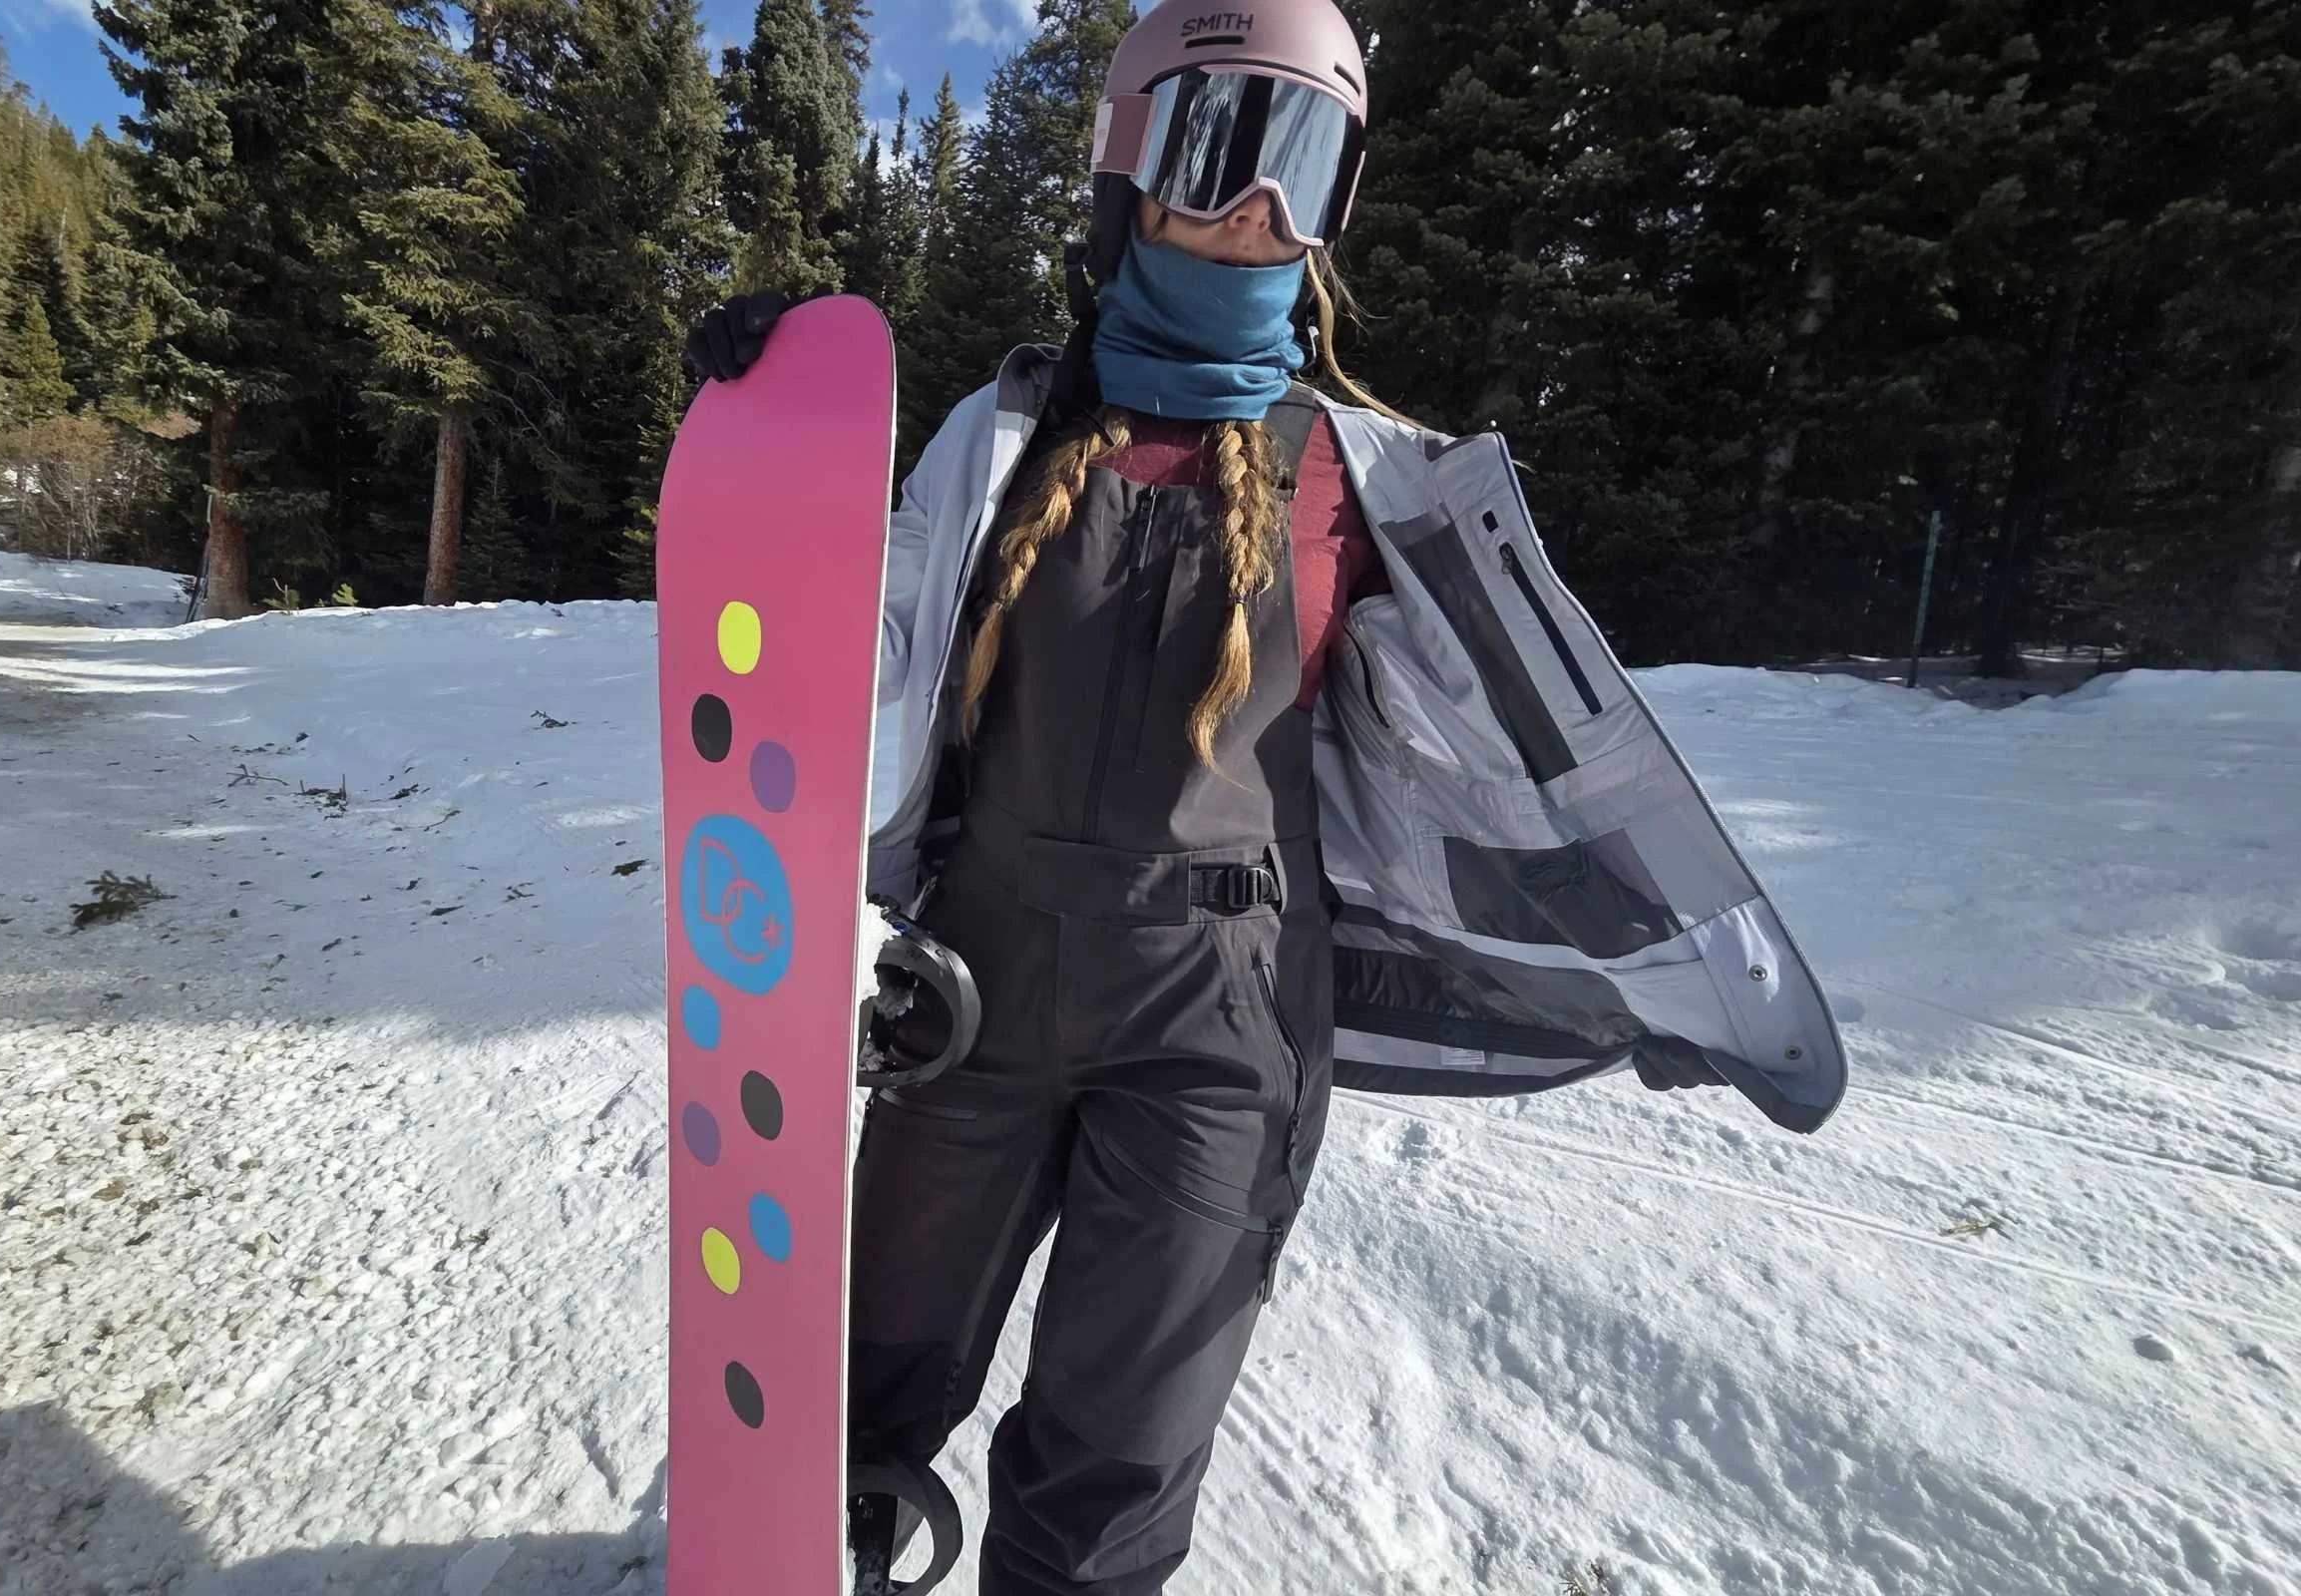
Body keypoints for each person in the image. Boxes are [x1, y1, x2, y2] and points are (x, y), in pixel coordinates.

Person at [685, 2, 1847, 1590]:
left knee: (1120, 1444)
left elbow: (1508, 765)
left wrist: (1647, 970)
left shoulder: (1369, 479)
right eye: (1221, 144)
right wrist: (777, 444)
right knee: (857, 1373)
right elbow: (860, 642)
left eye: (1304, 160)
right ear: (1130, 167)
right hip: (982, 982)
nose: (1259, 206)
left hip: (1224, 1021)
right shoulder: (1005, 435)